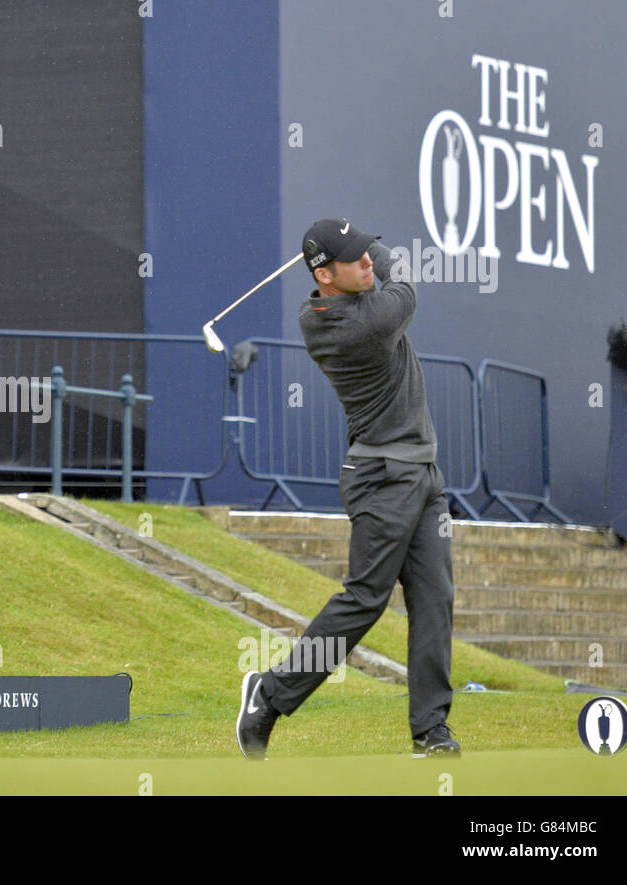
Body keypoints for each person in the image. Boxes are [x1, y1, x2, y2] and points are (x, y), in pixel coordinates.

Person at [235, 218, 460, 760]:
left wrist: (353, 240)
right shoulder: (360, 324)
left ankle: (431, 731)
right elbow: (403, 281)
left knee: (435, 600)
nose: (366, 263)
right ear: (323, 275)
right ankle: (267, 695)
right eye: (354, 258)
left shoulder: (334, 305)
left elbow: (371, 274)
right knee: (363, 601)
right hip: (383, 478)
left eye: (365, 254)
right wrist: (379, 250)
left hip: (422, 474)